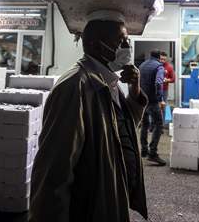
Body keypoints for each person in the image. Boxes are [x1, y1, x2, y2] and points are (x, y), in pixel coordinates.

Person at [30, 12, 148, 222]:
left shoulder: (108, 81)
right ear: (95, 45)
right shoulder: (74, 87)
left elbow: (122, 129)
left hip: (109, 195)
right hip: (89, 208)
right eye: (121, 41)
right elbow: (54, 170)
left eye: (127, 41)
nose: (127, 47)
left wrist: (135, 90)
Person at [139, 49, 166, 165]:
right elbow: (159, 83)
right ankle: (153, 153)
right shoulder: (159, 67)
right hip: (153, 101)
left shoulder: (142, 65)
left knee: (144, 124)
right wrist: (160, 99)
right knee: (159, 124)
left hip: (141, 100)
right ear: (159, 57)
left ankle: (144, 150)